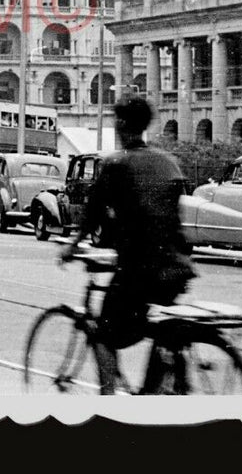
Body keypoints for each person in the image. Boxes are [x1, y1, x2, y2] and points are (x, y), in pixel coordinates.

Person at [62, 96, 196, 394]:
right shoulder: (168, 162)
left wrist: (72, 246)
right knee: (162, 330)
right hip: (176, 269)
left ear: (121, 124)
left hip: (139, 270)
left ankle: (109, 406)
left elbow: (93, 212)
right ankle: (162, 386)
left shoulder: (117, 164)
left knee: (104, 335)